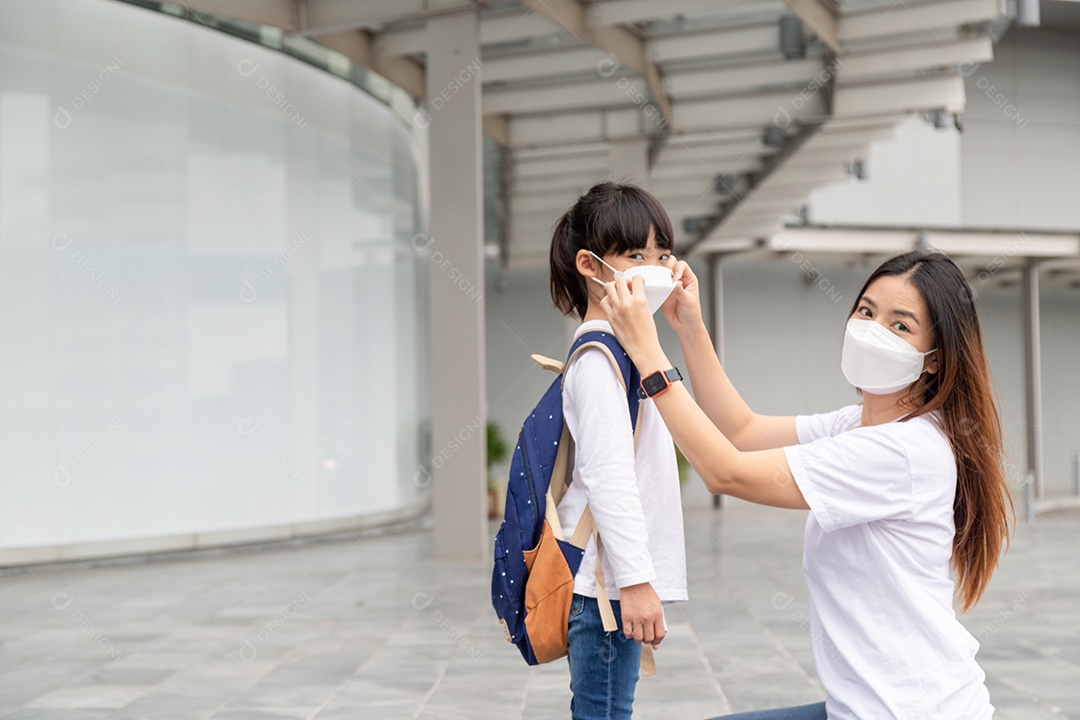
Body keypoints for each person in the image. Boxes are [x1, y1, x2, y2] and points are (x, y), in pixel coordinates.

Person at [601, 250, 1013, 719]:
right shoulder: (858, 427)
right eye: (866, 311)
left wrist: (646, 351)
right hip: (864, 707)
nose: (873, 329)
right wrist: (687, 325)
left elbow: (725, 471)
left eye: (900, 326)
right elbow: (741, 430)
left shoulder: (903, 451)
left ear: (935, 360)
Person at [548, 182, 688, 720]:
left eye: (663, 254)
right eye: (635, 255)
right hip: (604, 591)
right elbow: (608, 477)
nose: (654, 268)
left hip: (608, 587)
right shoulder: (598, 360)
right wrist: (636, 583)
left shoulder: (627, 353)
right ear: (590, 264)